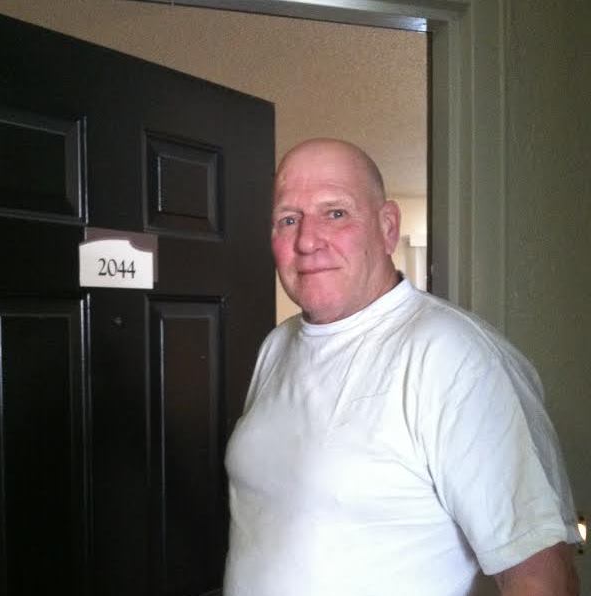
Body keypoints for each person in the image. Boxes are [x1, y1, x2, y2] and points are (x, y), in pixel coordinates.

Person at [223, 138, 581, 595]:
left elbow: (538, 576)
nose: (307, 241)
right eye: (288, 219)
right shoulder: (277, 345)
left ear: (388, 227)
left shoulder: (452, 355)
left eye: (336, 213)